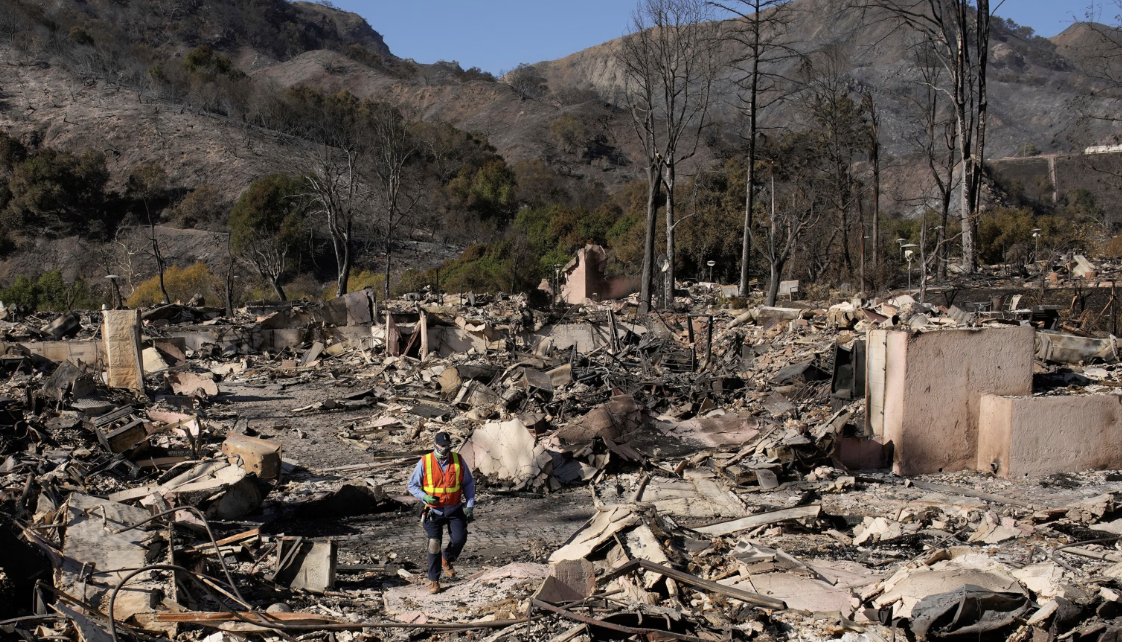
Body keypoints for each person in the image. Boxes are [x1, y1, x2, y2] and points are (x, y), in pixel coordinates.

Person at [407, 431, 475, 594]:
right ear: (435, 445)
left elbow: (468, 483)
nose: (445, 449)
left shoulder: (458, 460)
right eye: (442, 446)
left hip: (454, 508)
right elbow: (412, 485)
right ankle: (434, 581)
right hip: (433, 511)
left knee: (459, 538)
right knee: (434, 544)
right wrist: (425, 497)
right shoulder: (425, 462)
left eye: (448, 446)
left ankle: (447, 558)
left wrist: (470, 505)